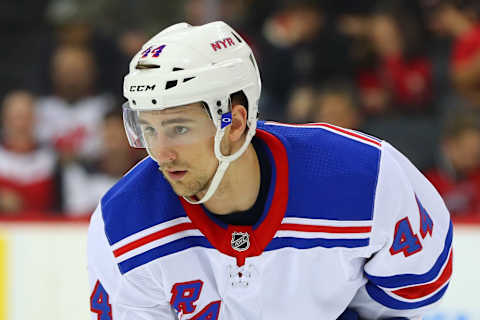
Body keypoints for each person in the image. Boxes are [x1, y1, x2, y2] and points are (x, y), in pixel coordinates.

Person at [87, 21, 452, 319]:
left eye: (179, 128)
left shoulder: (365, 178)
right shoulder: (122, 224)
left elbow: (413, 293)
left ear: (235, 122)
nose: (161, 153)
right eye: (149, 129)